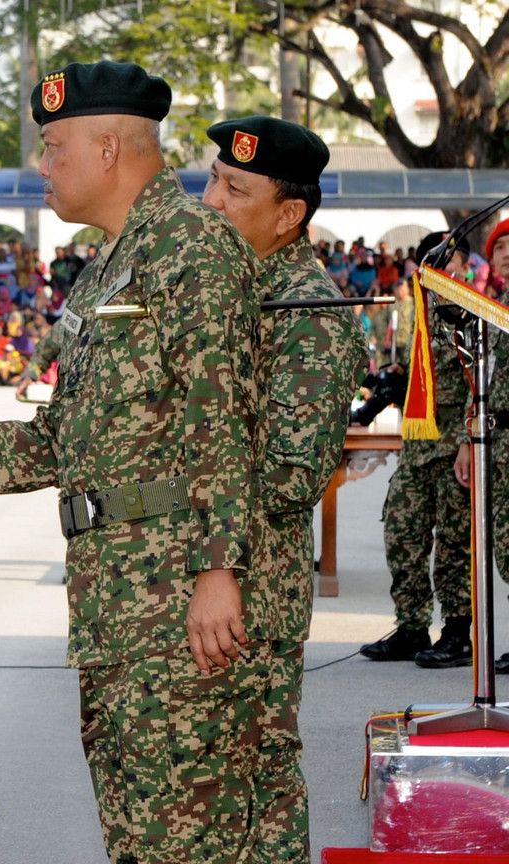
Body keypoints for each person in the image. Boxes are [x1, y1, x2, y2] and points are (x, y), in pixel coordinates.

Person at [0, 60, 270, 863]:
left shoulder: (191, 249)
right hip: (116, 594)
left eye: (54, 149)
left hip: (172, 591)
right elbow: (57, 438)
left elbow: (221, 422)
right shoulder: (112, 265)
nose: (43, 167)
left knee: (183, 833)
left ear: (109, 149)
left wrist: (219, 573)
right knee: (138, 828)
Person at [202, 116, 366, 862]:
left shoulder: (308, 313)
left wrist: (211, 552)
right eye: (212, 179)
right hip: (209, 572)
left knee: (254, 782)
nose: (211, 200)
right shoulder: (228, 291)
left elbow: (290, 475)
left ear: (289, 214)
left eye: (234, 188)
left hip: (250, 585)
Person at [360, 231, 473, 667]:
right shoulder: (424, 317)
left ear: (464, 268)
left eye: (452, 261)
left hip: (453, 449)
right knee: (401, 533)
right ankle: (410, 627)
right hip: (418, 446)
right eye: (435, 262)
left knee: (452, 546)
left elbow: (481, 385)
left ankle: (457, 634)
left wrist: (467, 439)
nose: (445, 269)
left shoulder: (474, 316)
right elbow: (417, 381)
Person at [456, 217, 509, 673]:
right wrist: (466, 442)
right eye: (499, 246)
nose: (508, 252)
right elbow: (480, 381)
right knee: (506, 543)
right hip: (499, 437)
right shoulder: (491, 312)